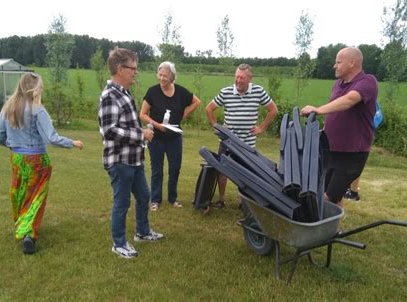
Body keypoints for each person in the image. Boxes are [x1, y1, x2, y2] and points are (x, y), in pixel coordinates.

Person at [0, 72, 83, 255]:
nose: (41, 90)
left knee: (20, 193)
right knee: (36, 197)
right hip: (37, 161)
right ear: (33, 88)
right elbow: (51, 137)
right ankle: (29, 234)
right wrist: (72, 143)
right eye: (40, 86)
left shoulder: (8, 107)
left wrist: (12, 144)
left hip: (17, 159)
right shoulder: (37, 109)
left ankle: (22, 225)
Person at [98, 47, 163, 259]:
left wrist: (141, 133)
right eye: (132, 68)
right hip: (120, 162)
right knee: (122, 202)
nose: (136, 72)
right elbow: (109, 131)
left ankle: (142, 233)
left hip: (134, 160)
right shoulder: (109, 96)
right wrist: (140, 134)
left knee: (144, 196)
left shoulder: (123, 93)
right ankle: (118, 244)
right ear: (120, 69)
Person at [301, 46, 378, 207]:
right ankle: (333, 227)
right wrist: (324, 129)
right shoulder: (337, 84)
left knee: (329, 197)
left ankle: (326, 228)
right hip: (331, 150)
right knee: (329, 194)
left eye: (338, 62)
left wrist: (318, 110)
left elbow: (349, 100)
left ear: (352, 63)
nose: (334, 66)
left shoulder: (367, 82)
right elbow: (335, 111)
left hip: (351, 154)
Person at [206, 63, 278, 208]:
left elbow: (273, 110)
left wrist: (261, 128)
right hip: (227, 141)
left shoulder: (258, 91)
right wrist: (217, 126)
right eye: (237, 77)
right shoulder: (226, 92)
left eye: (242, 78)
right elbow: (209, 108)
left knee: (246, 173)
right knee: (222, 170)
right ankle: (221, 200)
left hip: (247, 142)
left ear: (249, 79)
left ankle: (243, 201)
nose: (238, 80)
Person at [140, 61, 201, 212]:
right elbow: (142, 114)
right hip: (156, 138)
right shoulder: (152, 92)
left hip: (175, 139)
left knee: (175, 169)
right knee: (157, 170)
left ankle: (173, 199)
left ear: (172, 77)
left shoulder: (180, 92)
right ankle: (155, 200)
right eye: (159, 75)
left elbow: (197, 101)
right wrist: (157, 125)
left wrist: (183, 114)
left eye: (165, 76)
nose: (161, 78)